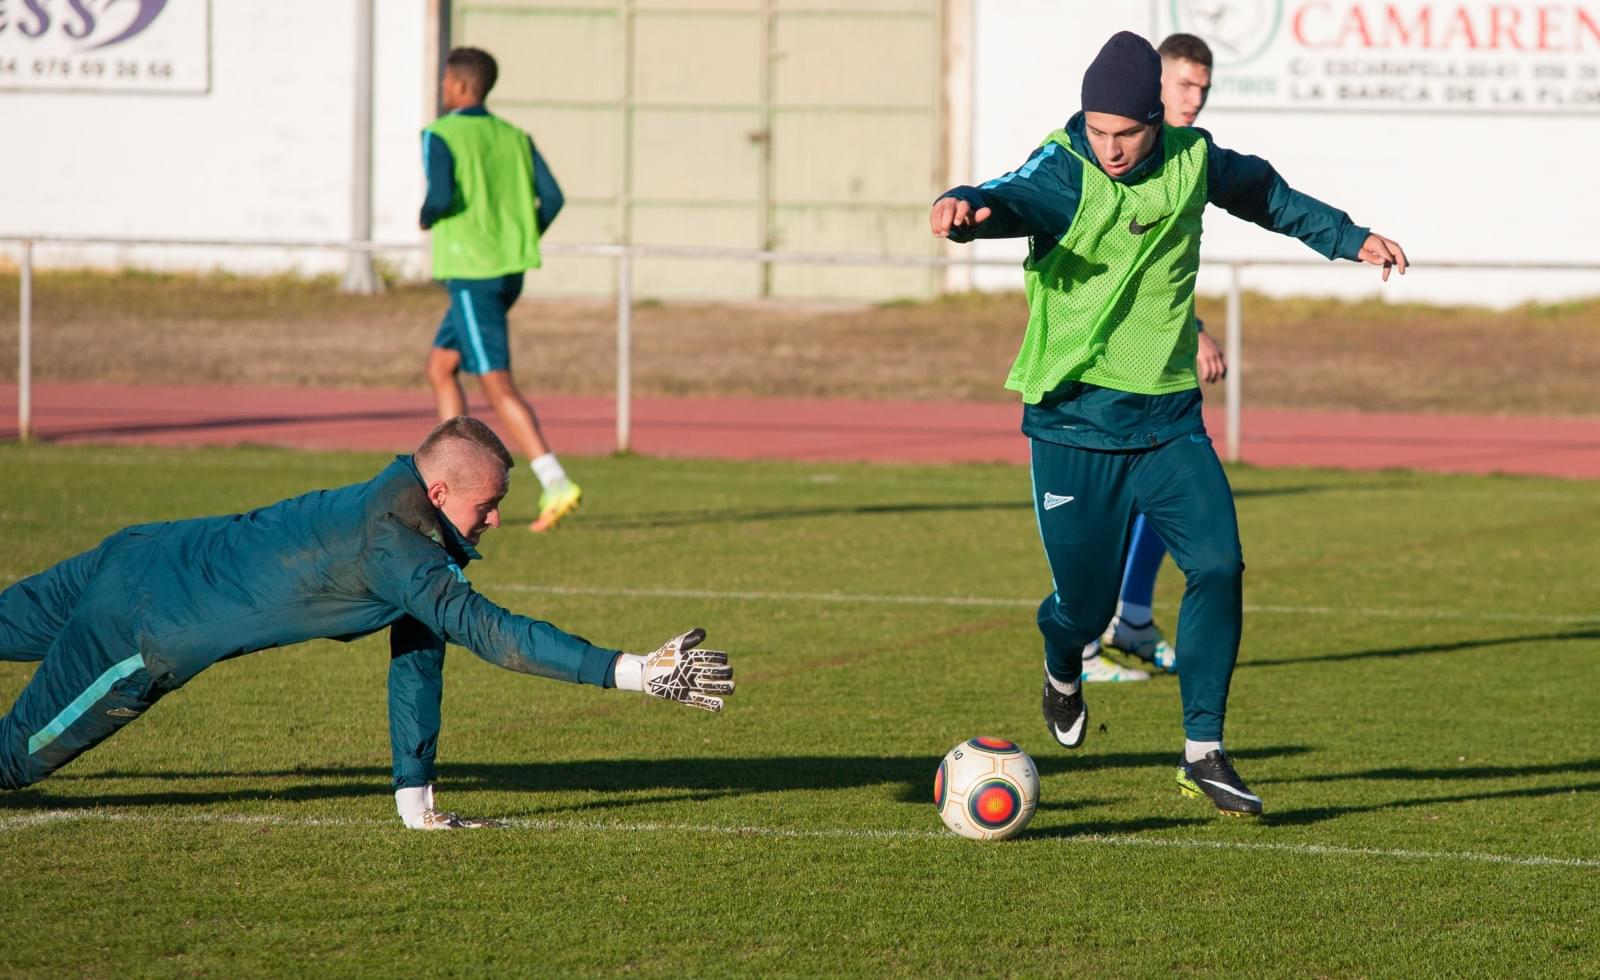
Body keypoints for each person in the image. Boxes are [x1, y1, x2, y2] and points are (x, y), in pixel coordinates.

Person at [929, 31, 1406, 815]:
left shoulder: (1193, 159)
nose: (1109, 148)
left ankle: (1205, 750)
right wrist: (968, 211)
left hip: (1167, 419)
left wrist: (1348, 239)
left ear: (1156, 121)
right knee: (1080, 611)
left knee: (1218, 565)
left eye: (1125, 133)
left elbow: (1271, 198)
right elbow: (1009, 196)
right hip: (1073, 423)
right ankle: (1061, 666)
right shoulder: (1064, 167)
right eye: (1096, 129)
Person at [0, 417, 734, 829]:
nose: (497, 517)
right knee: (11, 762)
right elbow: (490, 633)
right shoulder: (395, 547)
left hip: (140, 550)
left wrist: (414, 799)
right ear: (441, 491)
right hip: (136, 628)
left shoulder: (401, 515)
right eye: (488, 503)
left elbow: (421, 651)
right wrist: (634, 670)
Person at [1086, 32, 1224, 683]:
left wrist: (1189, 327)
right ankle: (1089, 645)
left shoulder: (1186, 157)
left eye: (1204, 86)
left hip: (1156, 364)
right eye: (1183, 85)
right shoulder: (1111, 158)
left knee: (1168, 491)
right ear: (1154, 86)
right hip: (1101, 365)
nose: (1194, 98)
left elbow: (1163, 272)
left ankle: (1133, 623)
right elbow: (1121, 273)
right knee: (1112, 497)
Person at [421, 46, 581, 533]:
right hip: (508, 270)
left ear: (461, 86)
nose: (443, 88)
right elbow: (552, 197)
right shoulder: (514, 136)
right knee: (441, 366)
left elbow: (442, 196)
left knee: (496, 382)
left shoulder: (440, 134)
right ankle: (446, 473)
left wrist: (426, 215)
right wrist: (521, 233)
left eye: (447, 81)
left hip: (473, 271)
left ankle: (555, 481)